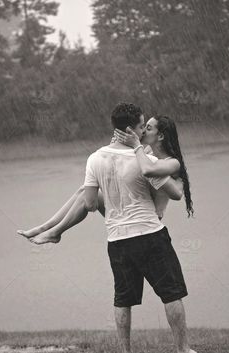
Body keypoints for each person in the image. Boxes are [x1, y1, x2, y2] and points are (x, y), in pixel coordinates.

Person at [83, 102, 196, 353]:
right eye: (142, 125)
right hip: (149, 235)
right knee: (171, 292)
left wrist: (114, 216)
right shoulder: (148, 159)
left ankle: (125, 351)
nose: (144, 130)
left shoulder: (94, 158)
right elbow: (173, 193)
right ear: (132, 130)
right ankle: (183, 349)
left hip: (117, 240)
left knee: (123, 299)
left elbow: (89, 203)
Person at [17, 120, 183, 245]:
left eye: (148, 128)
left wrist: (133, 146)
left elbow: (173, 190)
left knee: (90, 196)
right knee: (84, 190)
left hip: (148, 216)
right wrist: (116, 146)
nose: (142, 131)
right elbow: (125, 167)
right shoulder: (146, 151)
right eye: (143, 126)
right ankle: (46, 227)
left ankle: (55, 232)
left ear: (160, 136)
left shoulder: (168, 161)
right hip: (130, 206)